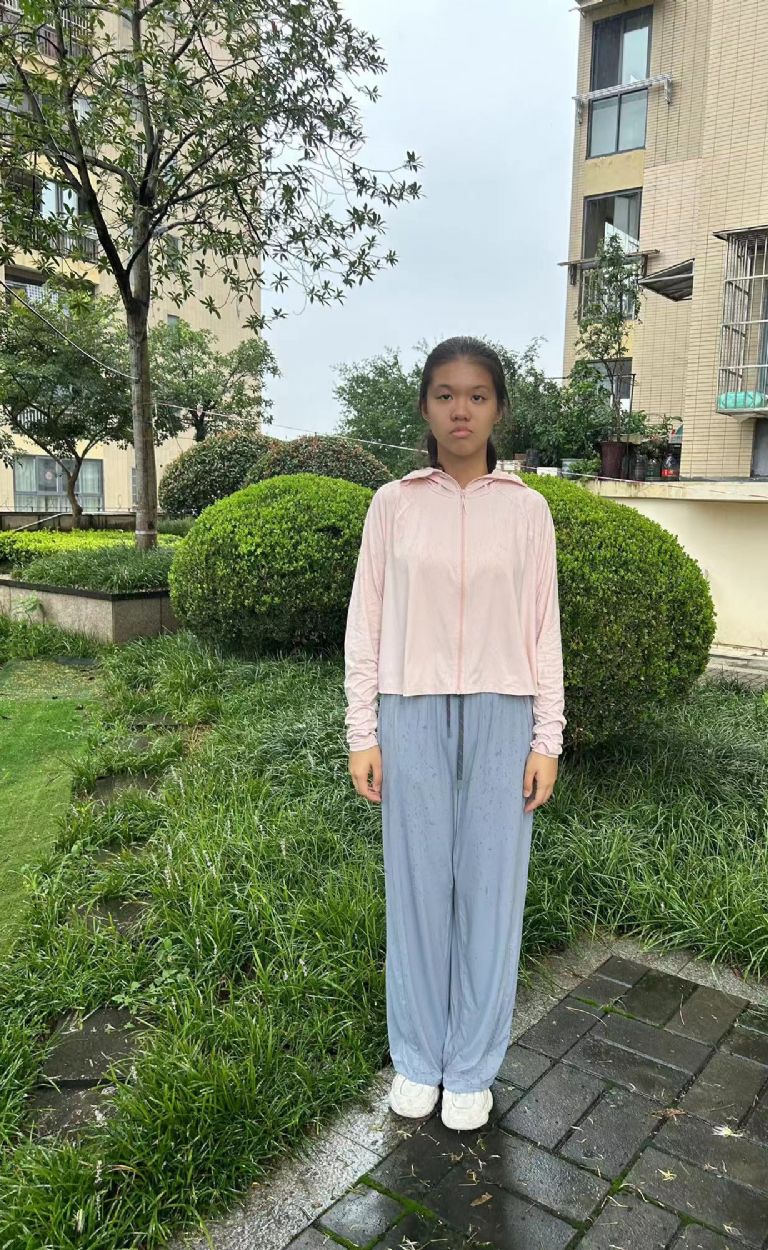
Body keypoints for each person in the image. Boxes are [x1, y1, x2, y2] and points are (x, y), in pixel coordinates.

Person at [343, 336, 566, 1132]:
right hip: (410, 709)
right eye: (445, 395)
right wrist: (362, 730)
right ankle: (417, 1058)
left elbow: (544, 627)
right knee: (416, 889)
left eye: (476, 395)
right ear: (425, 407)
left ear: (498, 408)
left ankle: (470, 1066)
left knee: (491, 893)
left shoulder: (528, 510)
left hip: (506, 712)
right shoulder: (393, 504)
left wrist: (547, 738)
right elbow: (365, 622)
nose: (460, 410)